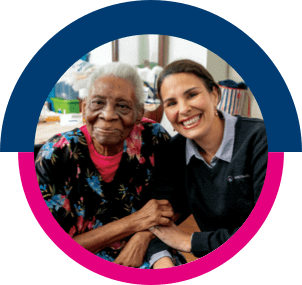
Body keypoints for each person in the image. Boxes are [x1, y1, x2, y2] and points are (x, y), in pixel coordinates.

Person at [35, 62, 186, 269]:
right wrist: (135, 221)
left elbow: (177, 200)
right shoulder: (56, 155)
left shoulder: (154, 139)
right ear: (83, 107)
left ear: (138, 113)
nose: (107, 115)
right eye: (98, 103)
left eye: (123, 106)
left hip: (149, 244)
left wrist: (142, 236)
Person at [146, 59, 268, 266]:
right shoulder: (174, 151)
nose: (183, 109)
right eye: (172, 103)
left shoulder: (263, 139)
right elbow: (156, 216)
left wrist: (191, 241)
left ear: (214, 95)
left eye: (192, 95)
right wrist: (161, 259)